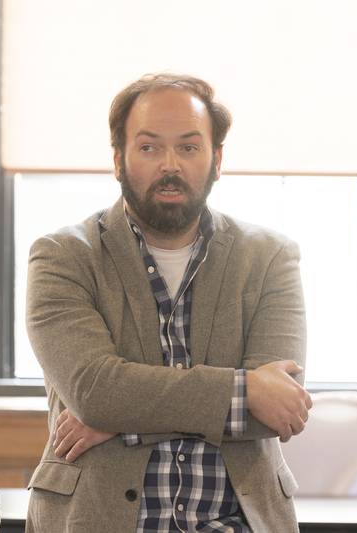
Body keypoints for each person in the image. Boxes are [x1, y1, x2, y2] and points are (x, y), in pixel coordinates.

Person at [25, 73, 311, 533]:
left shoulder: (270, 257)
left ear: (217, 160)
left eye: (189, 147)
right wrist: (243, 391)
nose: (170, 164)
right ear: (118, 160)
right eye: (149, 147)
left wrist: (122, 422)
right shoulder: (63, 256)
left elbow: (278, 408)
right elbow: (95, 392)